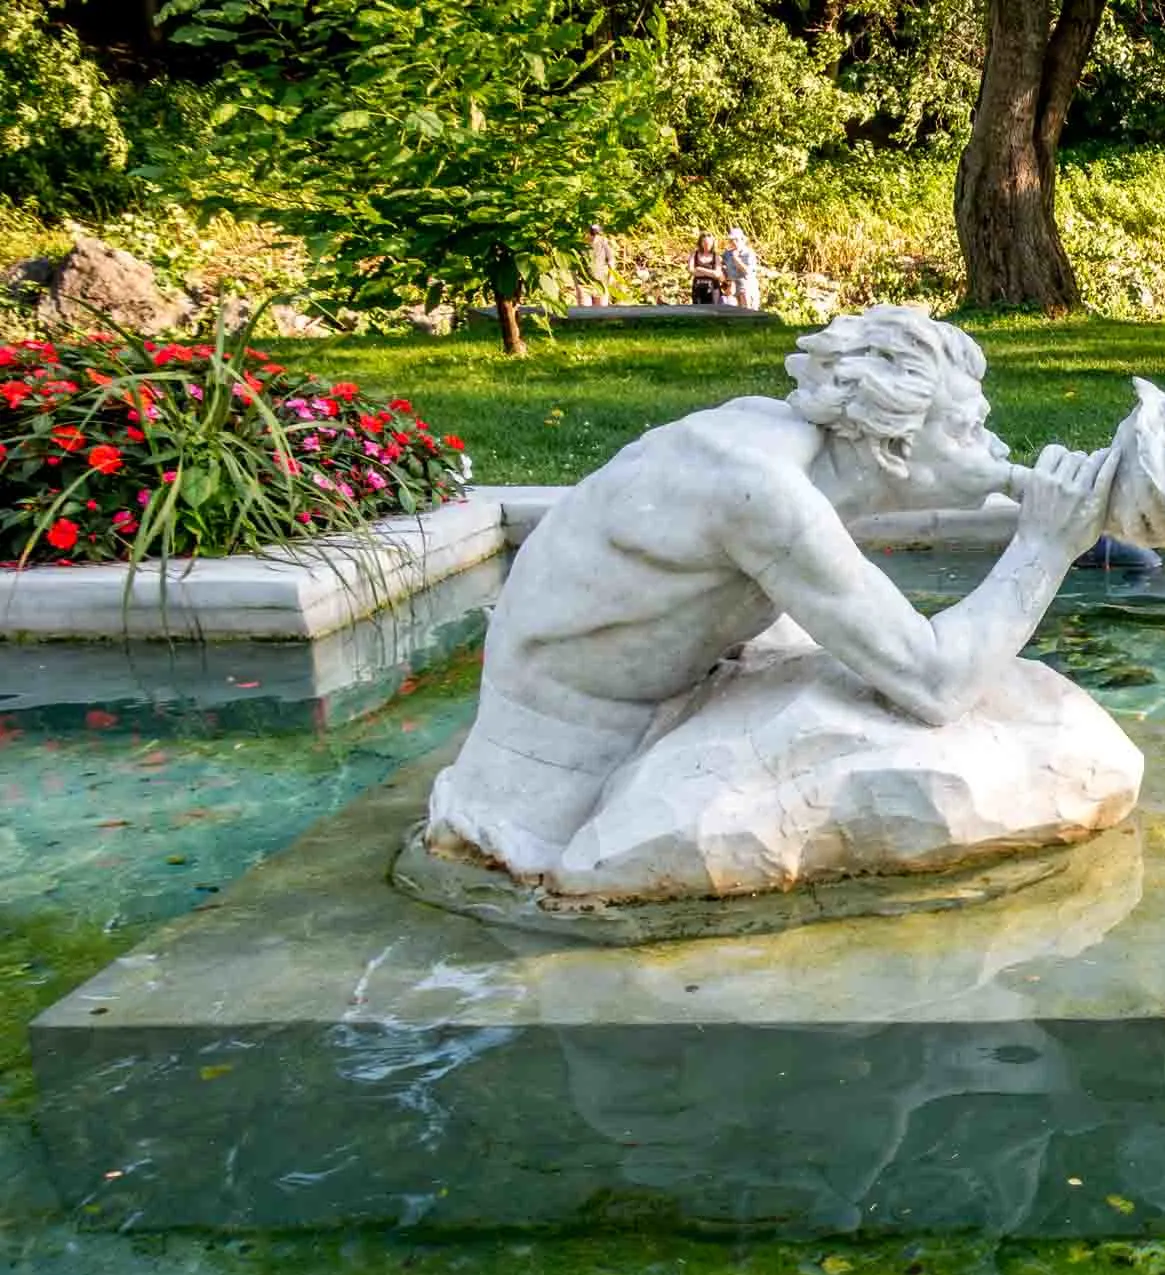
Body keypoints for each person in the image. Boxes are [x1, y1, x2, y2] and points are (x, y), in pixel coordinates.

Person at [424, 306, 1121, 878]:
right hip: (553, 790)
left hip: (650, 703)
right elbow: (936, 684)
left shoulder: (775, 443)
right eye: (969, 428)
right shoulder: (759, 490)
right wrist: (1045, 544)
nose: (997, 448)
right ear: (892, 448)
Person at [724, 227, 761, 311]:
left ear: (742, 240)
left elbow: (747, 271)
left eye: (736, 240)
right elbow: (723, 267)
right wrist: (728, 283)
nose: (734, 242)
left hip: (747, 288)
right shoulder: (727, 253)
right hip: (734, 289)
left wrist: (736, 258)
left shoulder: (749, 253)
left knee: (749, 313)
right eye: (732, 240)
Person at [580, 225, 615, 307]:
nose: (595, 235)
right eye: (593, 233)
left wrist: (610, 278)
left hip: (601, 281)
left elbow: (611, 261)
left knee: (601, 310)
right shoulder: (582, 244)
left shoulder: (603, 242)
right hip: (585, 283)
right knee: (586, 310)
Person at [689, 232, 723, 306]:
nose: (706, 244)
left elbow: (717, 274)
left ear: (712, 243)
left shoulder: (716, 256)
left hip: (714, 289)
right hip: (697, 289)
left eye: (709, 242)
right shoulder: (694, 254)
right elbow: (691, 271)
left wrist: (699, 269)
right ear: (700, 242)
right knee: (699, 312)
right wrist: (711, 273)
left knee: (713, 312)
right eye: (704, 242)